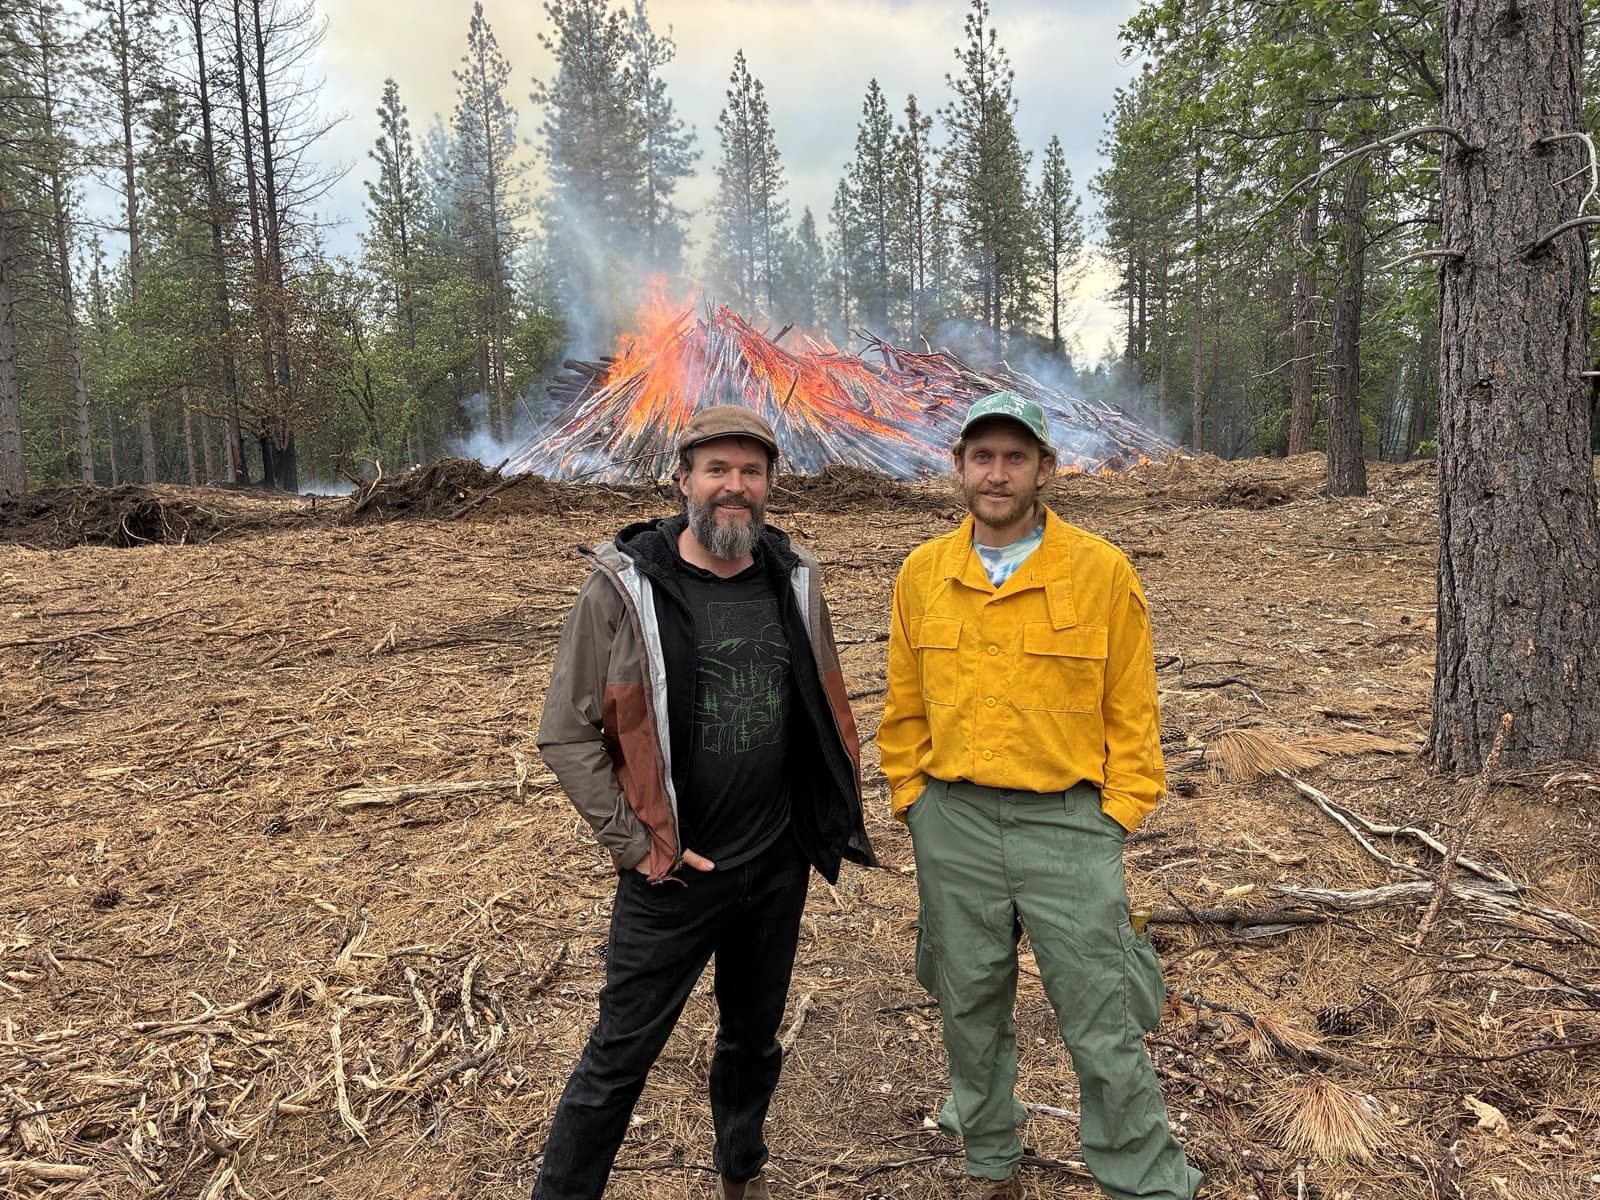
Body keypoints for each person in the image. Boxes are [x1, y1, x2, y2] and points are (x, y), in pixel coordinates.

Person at [533, 404, 877, 1200]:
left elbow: (822, 703)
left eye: (751, 472)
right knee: (619, 1057)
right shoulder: (623, 590)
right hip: (674, 875)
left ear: (769, 487)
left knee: (753, 1041)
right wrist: (637, 842)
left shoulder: (794, 580)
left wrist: (814, 822)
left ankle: (741, 1169)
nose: (734, 487)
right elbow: (566, 734)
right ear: (682, 479)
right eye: (716, 470)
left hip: (774, 863)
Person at [876, 392, 1202, 1200]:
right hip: (952, 820)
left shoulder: (1098, 570)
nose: (997, 472)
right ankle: (988, 1154)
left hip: (1068, 825)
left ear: (1045, 469)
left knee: (1104, 1014)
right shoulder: (924, 572)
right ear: (957, 468)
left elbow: (1134, 707)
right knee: (967, 1001)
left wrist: (1118, 813)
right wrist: (913, 798)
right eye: (981, 456)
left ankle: (1145, 1179)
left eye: (1015, 457)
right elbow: (902, 702)